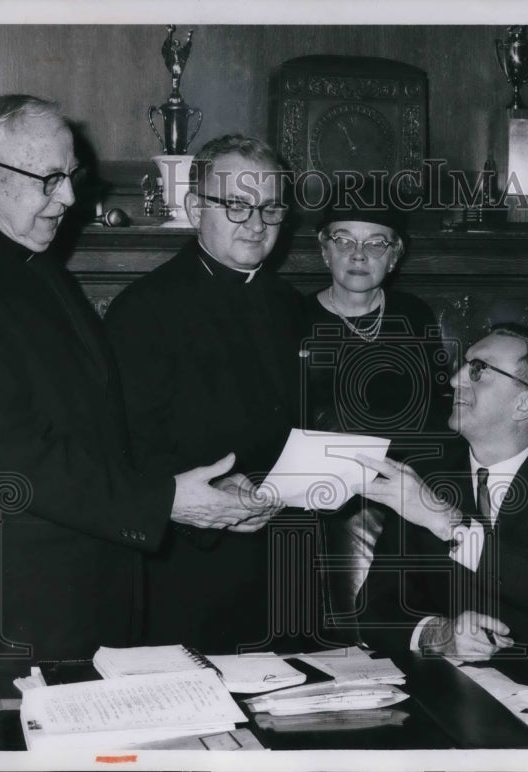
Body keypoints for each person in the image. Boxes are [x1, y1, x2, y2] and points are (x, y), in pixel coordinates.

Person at [0, 95, 266, 750]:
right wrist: (165, 500)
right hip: (10, 620)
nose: (67, 198)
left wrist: (195, 488)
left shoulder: (33, 265)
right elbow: (11, 456)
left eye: (69, 177)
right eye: (47, 179)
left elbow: (97, 429)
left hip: (75, 601)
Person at [105, 134, 313, 654]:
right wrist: (221, 496)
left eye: (270, 207)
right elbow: (127, 448)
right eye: (237, 205)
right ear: (196, 208)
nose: (257, 223)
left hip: (287, 563)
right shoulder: (144, 310)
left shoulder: (293, 307)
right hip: (189, 566)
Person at [356, 326, 528, 660]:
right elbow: (374, 610)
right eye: (464, 366)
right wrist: (439, 634)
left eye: (478, 370)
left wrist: (448, 522)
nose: (455, 380)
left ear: (525, 402)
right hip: (447, 691)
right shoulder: (427, 478)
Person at [303, 197, 449, 640]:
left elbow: (439, 412)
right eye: (343, 240)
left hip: (408, 495)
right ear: (323, 248)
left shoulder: (414, 315)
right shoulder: (292, 317)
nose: (359, 254)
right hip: (319, 502)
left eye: (376, 242)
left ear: (395, 253)